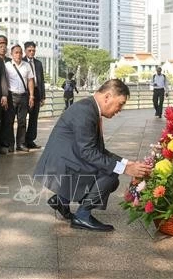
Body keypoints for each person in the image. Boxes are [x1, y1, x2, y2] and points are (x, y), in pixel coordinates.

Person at [33, 79, 151, 232]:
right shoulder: (86, 112)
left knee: (111, 169)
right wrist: (124, 169)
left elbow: (97, 151)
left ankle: (61, 199)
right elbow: (89, 153)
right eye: (120, 104)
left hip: (66, 160)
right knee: (110, 176)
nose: (120, 109)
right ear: (107, 97)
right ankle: (82, 216)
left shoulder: (89, 108)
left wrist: (128, 163)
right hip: (60, 166)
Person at [5, 45, 35, 152]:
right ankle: (10, 144)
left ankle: (21, 144)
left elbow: (30, 80)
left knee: (22, 122)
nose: (18, 55)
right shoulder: (7, 65)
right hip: (11, 96)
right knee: (9, 121)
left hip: (23, 96)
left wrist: (31, 96)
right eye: (16, 53)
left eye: (20, 53)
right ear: (11, 54)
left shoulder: (26, 65)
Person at [0, 35, 15, 152]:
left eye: (4, 46)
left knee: (8, 120)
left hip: (9, 94)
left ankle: (6, 142)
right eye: (0, 46)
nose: (3, 48)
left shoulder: (9, 61)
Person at [23, 41, 44, 150]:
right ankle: (21, 141)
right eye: (29, 50)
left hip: (36, 92)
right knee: (22, 118)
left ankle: (30, 140)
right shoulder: (20, 61)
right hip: (24, 93)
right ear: (25, 50)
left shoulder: (38, 63)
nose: (32, 52)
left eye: (33, 50)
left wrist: (42, 97)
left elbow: (41, 80)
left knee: (33, 118)